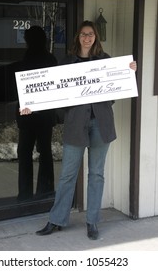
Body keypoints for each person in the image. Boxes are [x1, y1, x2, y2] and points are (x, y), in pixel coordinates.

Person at [23, 20, 137, 239]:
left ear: (96, 37)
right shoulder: (66, 63)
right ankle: (56, 220)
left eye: (91, 34)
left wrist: (128, 72)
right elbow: (51, 91)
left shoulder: (106, 61)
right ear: (78, 37)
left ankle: (92, 221)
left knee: (96, 174)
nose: (87, 37)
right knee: (67, 175)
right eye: (83, 34)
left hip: (101, 125)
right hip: (76, 125)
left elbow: (116, 88)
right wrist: (32, 104)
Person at [16, 26, 58, 201]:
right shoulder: (50, 59)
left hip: (29, 115)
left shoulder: (27, 59)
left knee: (25, 153)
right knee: (45, 152)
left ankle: (25, 194)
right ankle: (45, 191)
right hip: (44, 116)